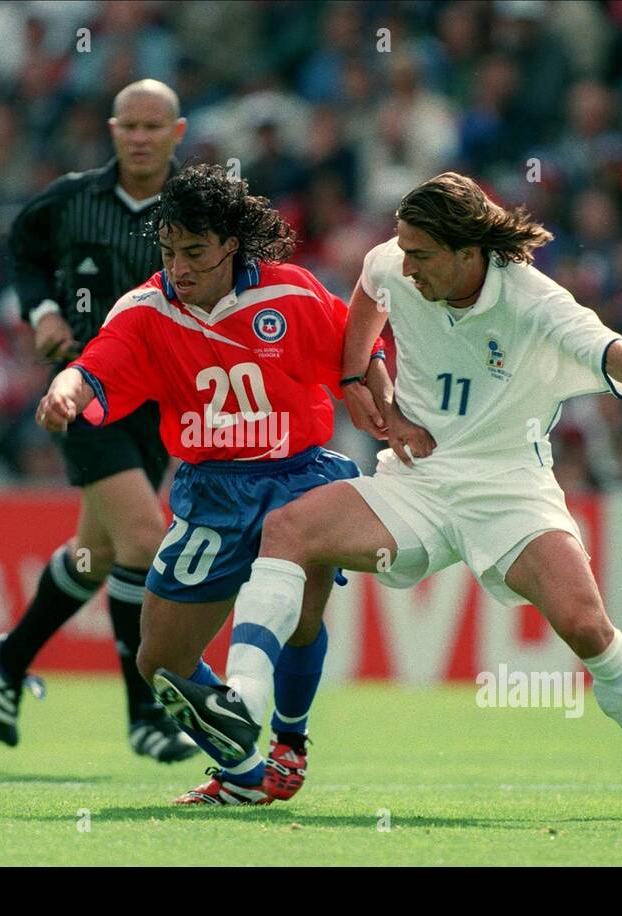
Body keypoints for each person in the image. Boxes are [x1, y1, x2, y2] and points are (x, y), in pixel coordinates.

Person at [155, 171, 622, 818]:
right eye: (403, 250)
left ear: (469, 252)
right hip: (418, 480)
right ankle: (242, 702)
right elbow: (369, 292)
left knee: (585, 625)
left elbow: (610, 350)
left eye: (421, 255)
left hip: (508, 490)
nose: (405, 266)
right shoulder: (396, 262)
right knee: (289, 530)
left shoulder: (531, 299)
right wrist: (364, 380)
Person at [35, 163, 385, 805]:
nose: (180, 267)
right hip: (211, 492)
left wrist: (381, 397)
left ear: (230, 244)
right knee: (157, 661)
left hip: (298, 478)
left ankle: (290, 741)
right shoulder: (145, 310)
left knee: (301, 619)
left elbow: (359, 346)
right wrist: (65, 387)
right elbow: (95, 365)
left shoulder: (292, 294)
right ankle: (244, 773)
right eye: (169, 251)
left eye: (194, 251)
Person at [0, 80, 196, 763]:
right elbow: (22, 248)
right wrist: (40, 312)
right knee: (144, 538)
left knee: (96, 557)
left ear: (177, 132)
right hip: (85, 387)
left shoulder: (197, 205)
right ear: (112, 128)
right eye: (129, 124)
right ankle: (145, 714)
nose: (141, 136)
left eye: (154, 125)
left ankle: (7, 657)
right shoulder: (70, 199)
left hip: (160, 399)